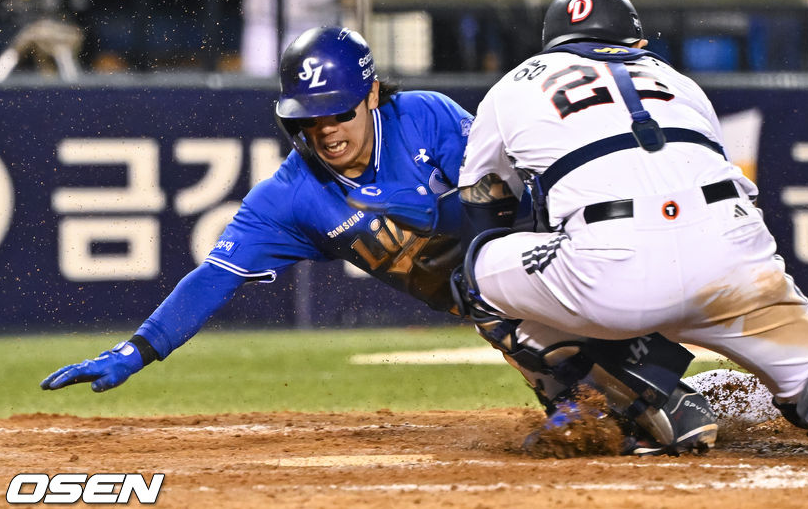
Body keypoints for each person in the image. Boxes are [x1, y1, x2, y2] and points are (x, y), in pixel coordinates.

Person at [39, 25, 726, 456]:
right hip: (496, 302)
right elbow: (215, 276)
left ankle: (657, 388)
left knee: (495, 296)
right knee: (512, 334)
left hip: (557, 253)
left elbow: (516, 186)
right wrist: (138, 349)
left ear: (370, 95)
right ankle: (631, 403)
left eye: (337, 112)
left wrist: (454, 220)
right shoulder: (290, 196)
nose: (324, 131)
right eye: (307, 119)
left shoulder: (425, 118)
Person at [453, 0, 808, 466]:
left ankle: (642, 403)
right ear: (637, 43)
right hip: (733, 253)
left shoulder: (514, 84)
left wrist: (532, 246)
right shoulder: (676, 81)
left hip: (612, 266)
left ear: (552, 45)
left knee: (475, 274)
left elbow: (483, 200)